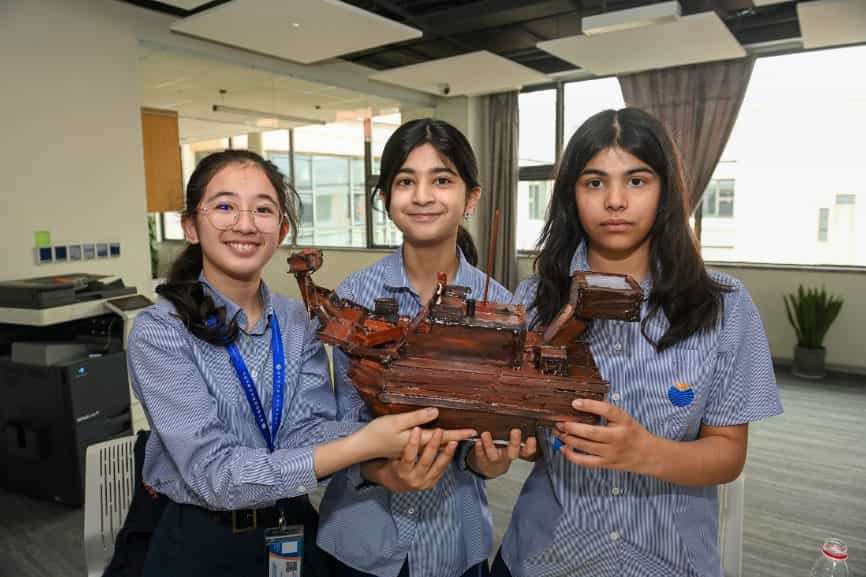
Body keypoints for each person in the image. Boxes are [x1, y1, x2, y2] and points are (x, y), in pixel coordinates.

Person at [128, 149, 474, 577]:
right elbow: (215, 476)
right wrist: (364, 445)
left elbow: (307, 430)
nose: (245, 224)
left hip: (290, 525)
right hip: (202, 540)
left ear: (282, 229)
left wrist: (407, 428)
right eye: (224, 207)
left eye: (263, 209)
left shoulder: (296, 319)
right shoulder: (162, 331)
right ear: (190, 227)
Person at [491, 108, 783, 577]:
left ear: (665, 191)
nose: (615, 201)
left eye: (637, 181)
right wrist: (514, 443)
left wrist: (645, 453)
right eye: (594, 182)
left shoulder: (723, 306)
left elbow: (728, 453)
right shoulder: (533, 302)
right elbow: (523, 433)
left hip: (669, 560)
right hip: (548, 557)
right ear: (570, 195)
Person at [317, 118, 536, 577]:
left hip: (453, 542)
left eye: (441, 180)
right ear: (385, 198)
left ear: (471, 198)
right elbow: (335, 426)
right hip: (360, 540)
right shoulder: (353, 297)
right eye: (405, 181)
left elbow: (491, 430)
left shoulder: (501, 306)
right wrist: (382, 472)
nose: (422, 196)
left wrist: (488, 462)